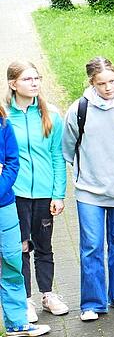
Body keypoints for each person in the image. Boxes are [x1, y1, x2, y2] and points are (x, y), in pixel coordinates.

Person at [62, 57, 114, 321]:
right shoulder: (79, 110)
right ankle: (92, 303)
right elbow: (68, 147)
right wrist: (87, 172)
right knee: (91, 246)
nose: (108, 87)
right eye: (101, 83)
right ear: (91, 83)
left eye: (111, 81)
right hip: (89, 191)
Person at [6, 61, 68, 323]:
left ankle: (48, 294)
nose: (34, 83)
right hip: (15, 194)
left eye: (37, 78)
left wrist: (59, 193)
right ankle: (25, 299)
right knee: (20, 246)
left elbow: (57, 156)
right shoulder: (4, 116)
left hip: (44, 192)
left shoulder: (51, 114)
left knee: (44, 245)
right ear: (13, 84)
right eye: (27, 79)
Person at [0, 98, 50, 337]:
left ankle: (17, 322)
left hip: (5, 203)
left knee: (12, 260)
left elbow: (11, 161)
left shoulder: (3, 121)